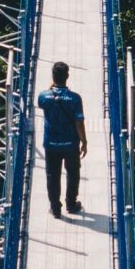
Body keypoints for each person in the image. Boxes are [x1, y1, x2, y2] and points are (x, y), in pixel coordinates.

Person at [37, 60, 84, 217]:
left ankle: (55, 209)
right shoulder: (75, 98)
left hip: (51, 144)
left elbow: (43, 103)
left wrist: (53, 87)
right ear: (68, 76)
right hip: (71, 143)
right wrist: (84, 141)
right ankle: (71, 204)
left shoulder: (43, 96)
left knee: (52, 175)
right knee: (73, 173)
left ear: (53, 76)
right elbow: (79, 122)